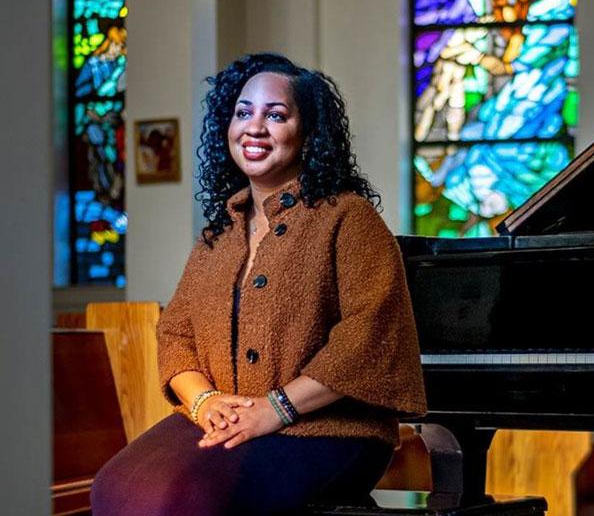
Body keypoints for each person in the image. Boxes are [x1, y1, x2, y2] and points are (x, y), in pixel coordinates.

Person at [90, 53, 428, 515]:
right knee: (114, 486)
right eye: (243, 112)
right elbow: (176, 335)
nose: (254, 127)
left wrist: (276, 408)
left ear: (308, 133)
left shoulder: (348, 218)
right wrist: (205, 402)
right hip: (223, 421)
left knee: (180, 498)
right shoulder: (218, 236)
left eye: (276, 115)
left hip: (329, 429)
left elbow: (369, 337)